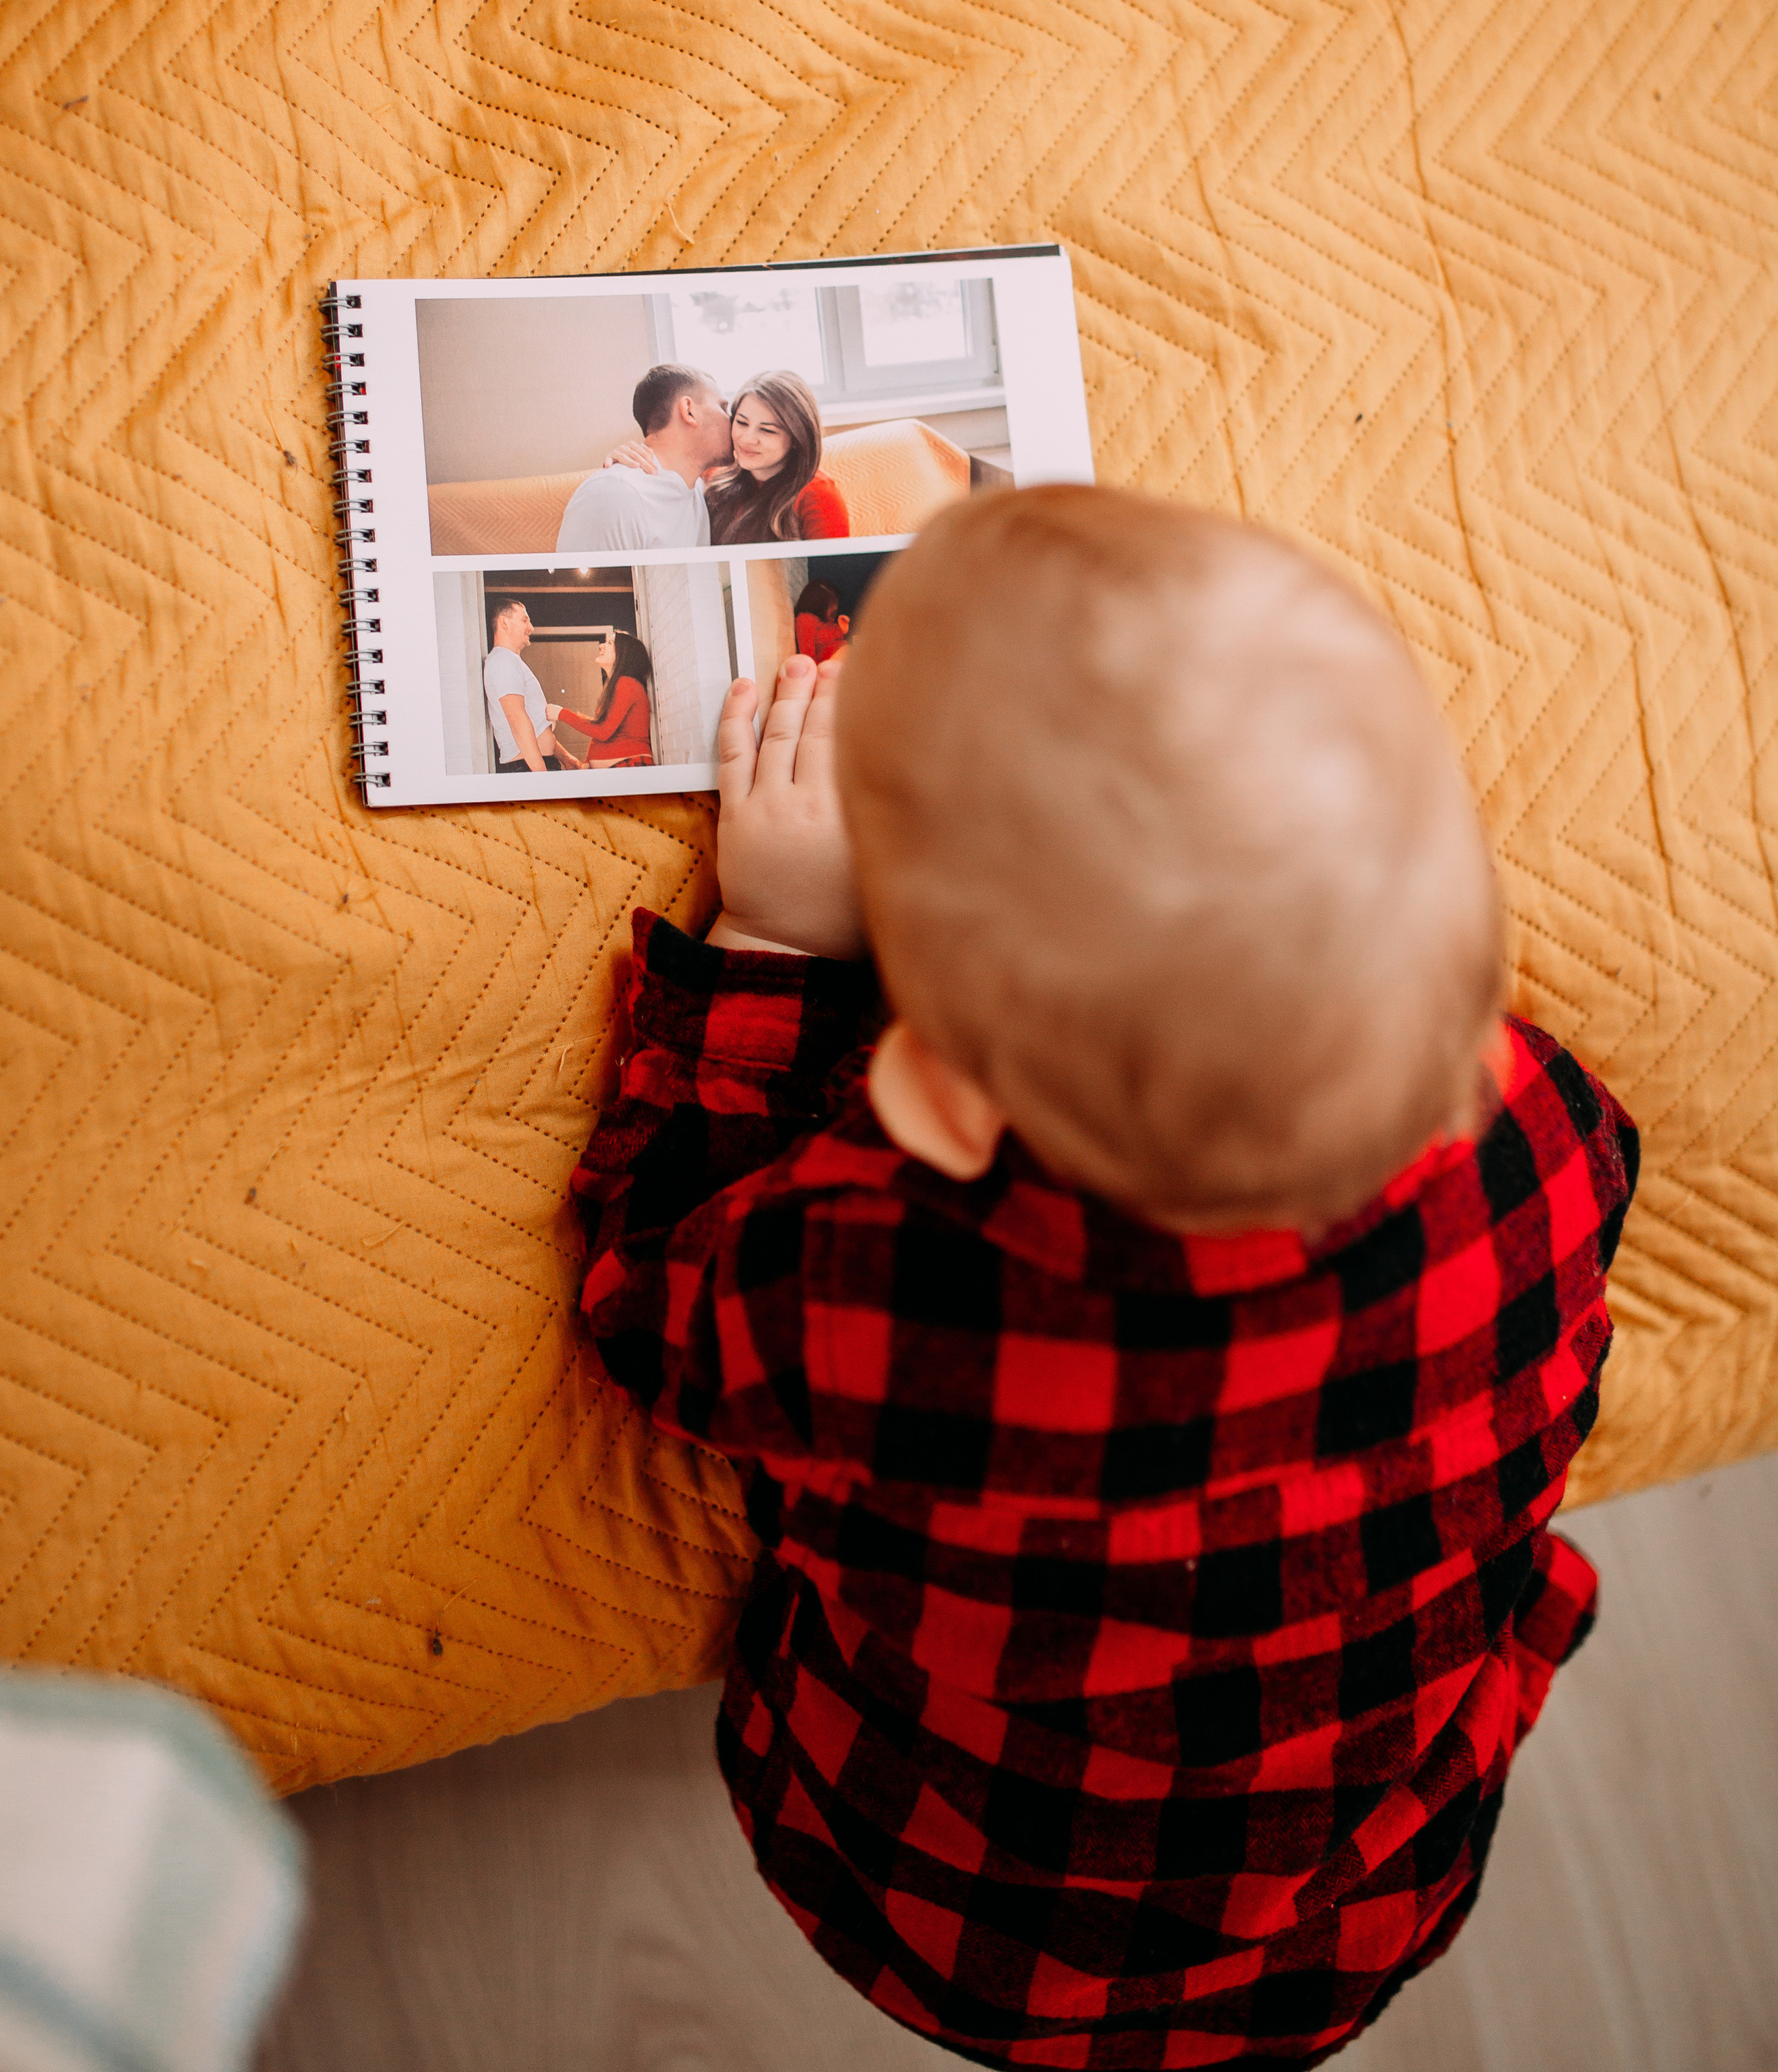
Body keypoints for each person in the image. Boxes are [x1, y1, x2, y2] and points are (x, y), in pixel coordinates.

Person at [571, 489, 1640, 2071]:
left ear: (936, 1098)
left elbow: (647, 1308)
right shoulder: (1541, 1129)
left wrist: (775, 945)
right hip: (1358, 1909)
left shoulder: (879, 1281)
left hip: (944, 1915)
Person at [601, 370, 848, 543]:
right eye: (741, 422)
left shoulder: (817, 495)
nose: (747, 439)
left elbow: (833, 584)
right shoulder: (711, 479)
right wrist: (626, 459)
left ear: (796, 438)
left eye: (767, 430)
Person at [556, 365, 733, 553]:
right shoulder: (613, 494)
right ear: (689, 411)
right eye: (723, 408)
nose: (732, 420)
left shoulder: (697, 490)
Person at [551, 629, 656, 770]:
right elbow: (605, 732)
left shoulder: (627, 684)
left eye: (610, 643)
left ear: (624, 654)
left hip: (628, 767)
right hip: (621, 768)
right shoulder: (619, 684)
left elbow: (603, 732)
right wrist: (589, 761)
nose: (601, 646)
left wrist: (561, 714)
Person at [482, 598, 557, 778]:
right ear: (504, 622)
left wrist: (566, 758)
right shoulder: (503, 661)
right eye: (525, 620)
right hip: (529, 768)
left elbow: (537, 724)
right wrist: (542, 777)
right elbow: (517, 718)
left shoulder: (510, 661)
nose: (531, 628)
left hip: (534, 764)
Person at [792, 578, 849, 664]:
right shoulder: (806, 619)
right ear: (820, 602)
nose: (836, 607)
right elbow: (808, 658)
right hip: (836, 665)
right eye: (833, 603)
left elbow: (836, 641)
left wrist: (843, 629)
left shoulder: (826, 620)